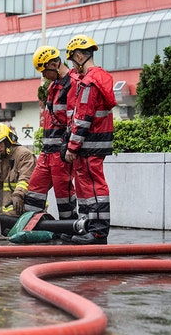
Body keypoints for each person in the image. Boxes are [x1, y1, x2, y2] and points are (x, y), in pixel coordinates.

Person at [62, 34, 117, 245]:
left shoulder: (90, 83)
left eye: (72, 60)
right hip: (92, 145)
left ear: (78, 56)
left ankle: (98, 232)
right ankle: (88, 227)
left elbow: (83, 118)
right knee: (86, 188)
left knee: (94, 188)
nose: (72, 66)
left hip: (89, 145)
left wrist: (72, 147)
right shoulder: (96, 80)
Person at [24, 46, 77, 220]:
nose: (44, 76)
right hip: (47, 153)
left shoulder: (72, 83)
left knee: (64, 195)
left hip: (60, 153)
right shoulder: (54, 86)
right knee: (34, 191)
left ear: (54, 64)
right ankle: (32, 226)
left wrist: (69, 147)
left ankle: (69, 229)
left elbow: (74, 119)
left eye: (45, 71)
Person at [0, 123, 36, 219]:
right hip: (10, 214)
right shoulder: (3, 160)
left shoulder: (24, 155)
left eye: (0, 142)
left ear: (8, 140)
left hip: (28, 210)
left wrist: (18, 195)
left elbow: (26, 178)